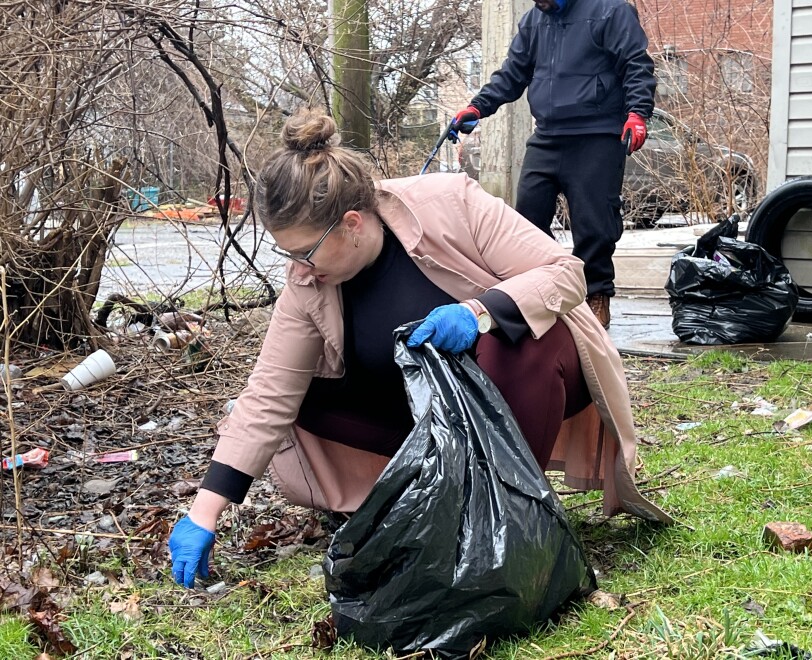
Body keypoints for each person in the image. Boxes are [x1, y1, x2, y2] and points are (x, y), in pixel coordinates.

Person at [168, 110, 669, 588]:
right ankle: (419, 503)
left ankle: (509, 517)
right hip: (426, 421)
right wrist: (204, 513)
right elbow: (269, 394)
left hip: (523, 387)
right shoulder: (310, 284)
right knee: (303, 397)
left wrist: (480, 313)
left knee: (525, 341)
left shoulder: (449, 203)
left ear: (351, 223)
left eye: (304, 252)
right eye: (287, 254)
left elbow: (565, 273)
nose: (297, 268)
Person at [451, 0, 655, 328]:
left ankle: (596, 295)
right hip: (547, 135)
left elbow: (636, 64)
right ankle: (542, 295)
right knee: (527, 221)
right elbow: (512, 74)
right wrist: (477, 107)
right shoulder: (534, 21)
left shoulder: (610, 10)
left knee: (593, 225)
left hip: (597, 135)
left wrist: (638, 113)